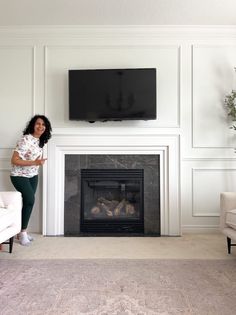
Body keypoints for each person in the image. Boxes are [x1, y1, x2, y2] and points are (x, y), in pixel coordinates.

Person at [10, 115, 52, 246]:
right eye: (38, 124)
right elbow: (14, 160)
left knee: (28, 203)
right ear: (33, 125)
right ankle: (22, 232)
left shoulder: (41, 141)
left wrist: (36, 164)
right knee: (30, 200)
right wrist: (35, 162)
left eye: (43, 124)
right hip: (19, 175)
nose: (41, 126)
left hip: (33, 175)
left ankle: (22, 231)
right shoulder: (25, 140)